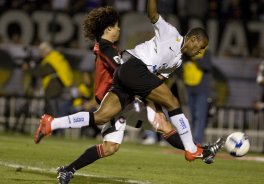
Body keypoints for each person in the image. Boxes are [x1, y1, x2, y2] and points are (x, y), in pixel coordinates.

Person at [35, 1, 224, 183]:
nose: (200, 53)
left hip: (132, 86)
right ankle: (193, 149)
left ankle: (52, 125)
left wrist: (156, 108)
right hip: (133, 68)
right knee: (173, 102)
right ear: (193, 39)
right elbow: (152, 15)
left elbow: (157, 82)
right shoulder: (171, 34)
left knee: (107, 130)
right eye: (201, 47)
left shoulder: (177, 61)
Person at [25, 42, 74, 126]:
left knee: (52, 110)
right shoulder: (56, 56)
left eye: (41, 51)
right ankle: (54, 128)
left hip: (54, 88)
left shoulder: (51, 59)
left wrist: (28, 69)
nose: (40, 54)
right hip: (63, 86)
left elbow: (40, 72)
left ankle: (54, 129)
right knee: (57, 110)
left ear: (45, 51)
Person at [183, 49, 212, 144]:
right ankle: (192, 140)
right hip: (189, 87)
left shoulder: (206, 52)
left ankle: (198, 141)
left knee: (200, 116)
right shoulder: (186, 52)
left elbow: (207, 66)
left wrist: (196, 57)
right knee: (192, 116)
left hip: (202, 88)